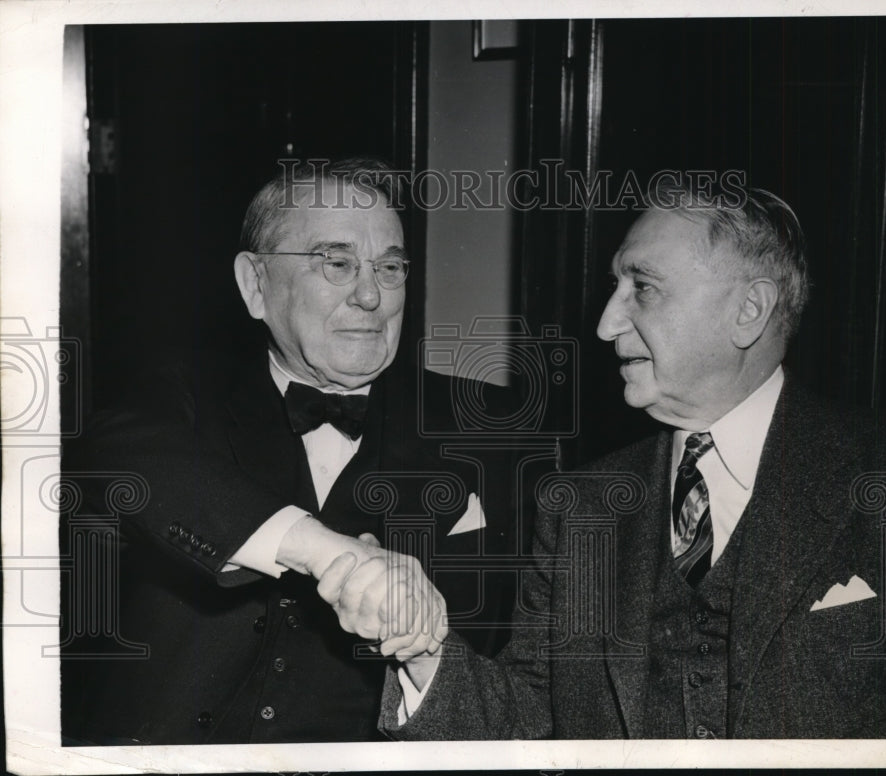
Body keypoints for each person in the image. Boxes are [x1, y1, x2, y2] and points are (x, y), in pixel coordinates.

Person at [374, 178, 886, 739]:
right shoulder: (578, 505)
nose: (608, 323)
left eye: (643, 287)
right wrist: (425, 651)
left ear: (749, 310)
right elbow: (530, 718)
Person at [60, 158, 542, 744]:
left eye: (390, 267)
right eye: (336, 264)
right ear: (255, 285)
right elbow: (107, 453)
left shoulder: (496, 425)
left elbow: (527, 677)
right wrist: (328, 551)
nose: (371, 295)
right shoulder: (178, 397)